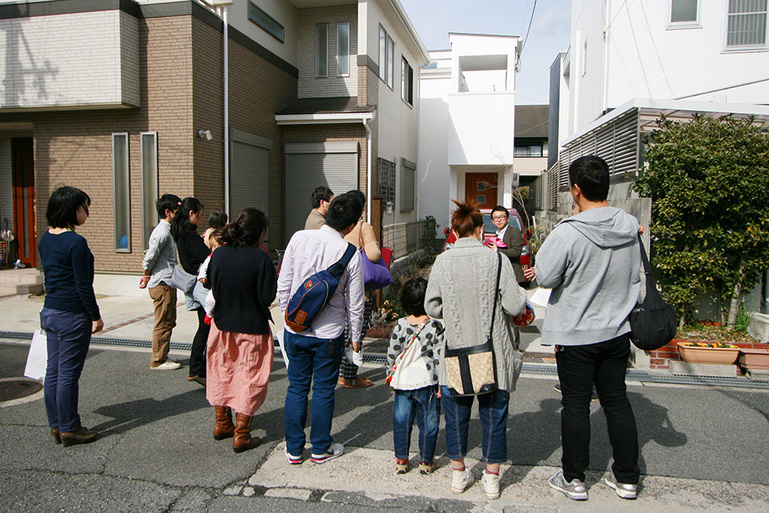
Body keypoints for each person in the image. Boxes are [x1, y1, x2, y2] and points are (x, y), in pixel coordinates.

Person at [524, 155, 642, 501]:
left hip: (577, 332)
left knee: (576, 404)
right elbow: (638, 277)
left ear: (576, 189)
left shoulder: (570, 232)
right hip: (618, 330)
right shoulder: (630, 226)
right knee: (616, 401)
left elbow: (544, 275)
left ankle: (574, 478)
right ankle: (627, 478)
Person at [425, 200, 527, 499]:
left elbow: (432, 305)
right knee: (494, 413)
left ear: (455, 231)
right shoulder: (497, 261)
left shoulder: (443, 261)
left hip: (456, 348)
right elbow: (513, 304)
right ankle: (492, 478)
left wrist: (455, 312)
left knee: (456, 414)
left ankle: (458, 475)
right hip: (492, 350)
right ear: (482, 230)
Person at [278, 192, 365, 465]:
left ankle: (294, 450)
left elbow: (284, 284)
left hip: (295, 329)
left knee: (297, 388)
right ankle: (320, 449)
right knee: (325, 390)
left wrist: (289, 317)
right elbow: (356, 303)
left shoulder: (298, 238)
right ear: (351, 225)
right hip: (329, 333)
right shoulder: (350, 253)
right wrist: (356, 338)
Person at [206, 208, 277, 453]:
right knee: (250, 376)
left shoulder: (219, 254)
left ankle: (222, 423)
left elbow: (213, 287)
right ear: (259, 233)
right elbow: (267, 297)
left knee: (222, 371)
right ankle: (242, 433)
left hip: (221, 325)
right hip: (252, 327)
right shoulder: (261, 258)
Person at [38, 186, 104, 447]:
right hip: (72, 314)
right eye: (83, 207)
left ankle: (56, 424)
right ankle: (70, 428)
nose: (86, 212)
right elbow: (82, 285)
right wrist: (95, 316)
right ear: (71, 210)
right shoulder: (75, 242)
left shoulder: (46, 238)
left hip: (50, 311)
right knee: (67, 374)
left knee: (52, 371)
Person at [387, 277, 443, 475]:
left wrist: (389, 375)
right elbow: (438, 356)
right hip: (427, 381)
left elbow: (392, 353)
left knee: (401, 421)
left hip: (403, 381)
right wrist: (441, 383)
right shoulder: (435, 326)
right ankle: (426, 462)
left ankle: (401, 460)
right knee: (428, 423)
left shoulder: (400, 325)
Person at [338, 189, 380, 388]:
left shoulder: (338, 227)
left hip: (339, 288)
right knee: (356, 332)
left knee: (341, 331)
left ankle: (339, 372)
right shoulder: (363, 226)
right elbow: (373, 255)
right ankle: (349, 376)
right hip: (360, 289)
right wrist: (377, 246)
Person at [140, 193, 182, 370]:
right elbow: (150, 257)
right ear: (168, 211)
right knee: (163, 321)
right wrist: (146, 274)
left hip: (166, 282)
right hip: (162, 283)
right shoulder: (162, 232)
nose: (180, 213)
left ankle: (162, 354)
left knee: (168, 320)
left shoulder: (168, 230)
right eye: (177, 210)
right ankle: (158, 360)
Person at [171, 197, 210, 386]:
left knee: (204, 327)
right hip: (201, 283)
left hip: (193, 284)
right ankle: (198, 369)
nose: (201, 219)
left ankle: (197, 368)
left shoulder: (181, 234)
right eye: (200, 215)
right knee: (207, 327)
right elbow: (206, 257)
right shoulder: (190, 236)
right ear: (191, 214)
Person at [489, 205, 525, 284]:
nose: (499, 220)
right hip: (501, 276)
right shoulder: (497, 234)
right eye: (496, 218)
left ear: (508, 218)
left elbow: (516, 252)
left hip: (513, 275)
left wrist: (497, 250)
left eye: (502, 216)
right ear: (492, 221)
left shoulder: (514, 232)